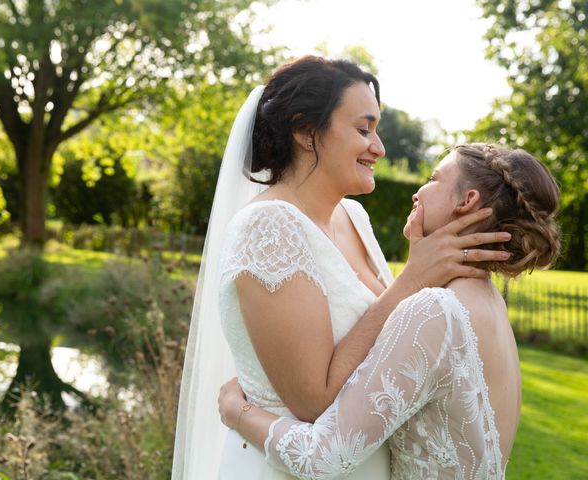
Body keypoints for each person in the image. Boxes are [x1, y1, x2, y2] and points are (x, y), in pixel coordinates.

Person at [172, 56, 511, 479]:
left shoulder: (354, 217)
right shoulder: (269, 228)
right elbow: (313, 402)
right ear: (304, 131)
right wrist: (414, 278)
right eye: (362, 129)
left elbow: (387, 344)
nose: (379, 147)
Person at [218, 143, 561, 479]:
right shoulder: (487, 302)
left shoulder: (435, 310)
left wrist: (238, 412)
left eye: (432, 178)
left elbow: (325, 456)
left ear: (466, 201)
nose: (418, 193)